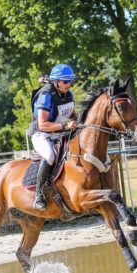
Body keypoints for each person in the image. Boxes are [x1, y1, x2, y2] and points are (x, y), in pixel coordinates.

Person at [30, 64, 78, 209]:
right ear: (56, 82)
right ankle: (39, 194)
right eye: (65, 82)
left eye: (70, 81)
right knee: (50, 156)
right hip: (41, 135)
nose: (68, 85)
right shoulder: (45, 96)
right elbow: (43, 124)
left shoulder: (68, 94)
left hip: (59, 134)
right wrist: (65, 126)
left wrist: (77, 122)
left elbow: (72, 114)